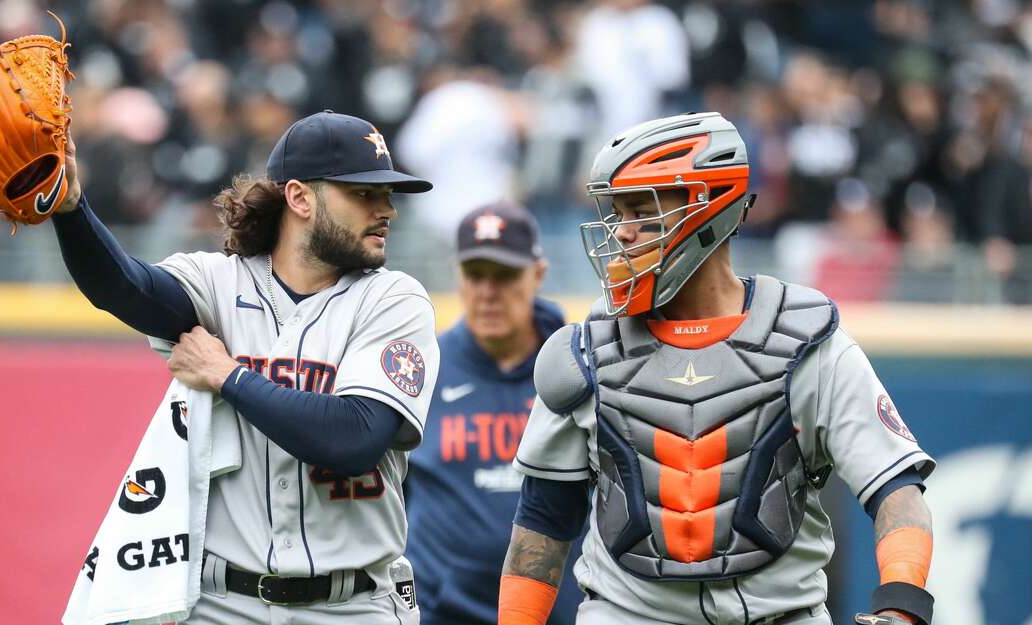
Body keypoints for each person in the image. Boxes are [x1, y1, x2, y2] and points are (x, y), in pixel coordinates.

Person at [497, 112, 937, 625]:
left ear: (708, 209)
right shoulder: (584, 352)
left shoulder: (807, 341)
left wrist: (902, 607)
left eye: (642, 210)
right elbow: (541, 525)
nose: (622, 234)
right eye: (617, 215)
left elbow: (896, 490)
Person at [52, 110, 440, 624]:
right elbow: (122, 287)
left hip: (353, 606)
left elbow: (354, 439)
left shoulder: (393, 300)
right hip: (223, 603)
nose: (387, 209)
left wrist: (229, 376)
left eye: (387, 195)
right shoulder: (218, 284)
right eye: (364, 194)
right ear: (300, 198)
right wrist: (70, 207)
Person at [404, 202, 584, 625]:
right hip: (441, 612)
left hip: (556, 614)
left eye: (504, 276)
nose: (488, 292)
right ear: (457, 275)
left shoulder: (578, 369)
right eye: (475, 275)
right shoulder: (421, 369)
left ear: (537, 274)